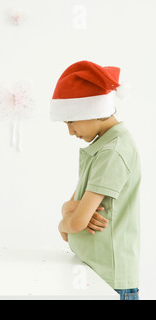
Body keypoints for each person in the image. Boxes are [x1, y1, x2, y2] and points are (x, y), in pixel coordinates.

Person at [50, 60, 141, 300]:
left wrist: (63, 224)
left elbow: (76, 222)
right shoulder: (101, 148)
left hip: (110, 282)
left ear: (92, 111)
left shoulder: (113, 151)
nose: (70, 131)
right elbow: (72, 206)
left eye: (71, 121)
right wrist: (69, 210)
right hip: (94, 273)